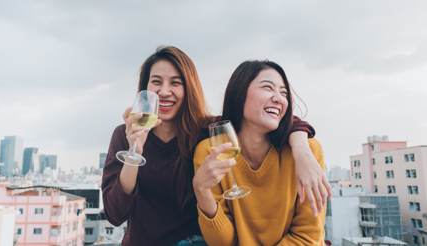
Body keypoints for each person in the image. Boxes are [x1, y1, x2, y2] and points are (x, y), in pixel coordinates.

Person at [101, 46, 326, 245]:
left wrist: (302, 150)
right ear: (145, 89)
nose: (165, 91)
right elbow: (115, 214)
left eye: (176, 83)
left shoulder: (206, 131)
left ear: (189, 89)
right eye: (156, 82)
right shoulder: (125, 134)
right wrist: (134, 152)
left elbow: (266, 119)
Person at [193, 60, 326, 245]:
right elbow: (222, 242)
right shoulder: (211, 151)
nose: (279, 98)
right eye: (268, 87)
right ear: (240, 93)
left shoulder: (307, 152)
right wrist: (202, 191)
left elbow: (308, 237)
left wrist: (302, 149)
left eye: (284, 92)